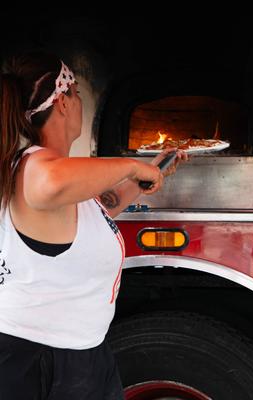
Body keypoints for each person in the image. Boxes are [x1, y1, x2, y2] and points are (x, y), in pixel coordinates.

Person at [0, 51, 186, 400]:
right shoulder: (37, 166)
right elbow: (50, 184)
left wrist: (150, 171)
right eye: (78, 95)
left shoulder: (59, 176)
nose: (81, 104)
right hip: (40, 362)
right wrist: (131, 166)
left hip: (80, 355)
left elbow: (96, 212)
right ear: (63, 103)